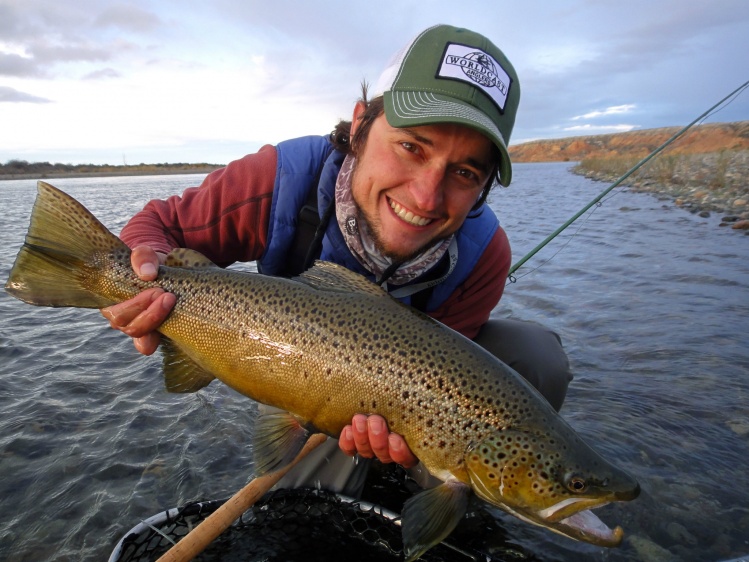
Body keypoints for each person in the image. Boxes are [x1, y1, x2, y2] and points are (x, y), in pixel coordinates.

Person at [101, 24, 573, 491]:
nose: (428, 197)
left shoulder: (485, 255)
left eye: (465, 172)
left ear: (485, 185)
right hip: (286, 363)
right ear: (360, 124)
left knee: (536, 359)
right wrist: (135, 278)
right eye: (411, 147)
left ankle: (461, 493)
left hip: (394, 389)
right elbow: (160, 227)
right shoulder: (280, 178)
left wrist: (409, 438)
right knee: (313, 488)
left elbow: (448, 375)